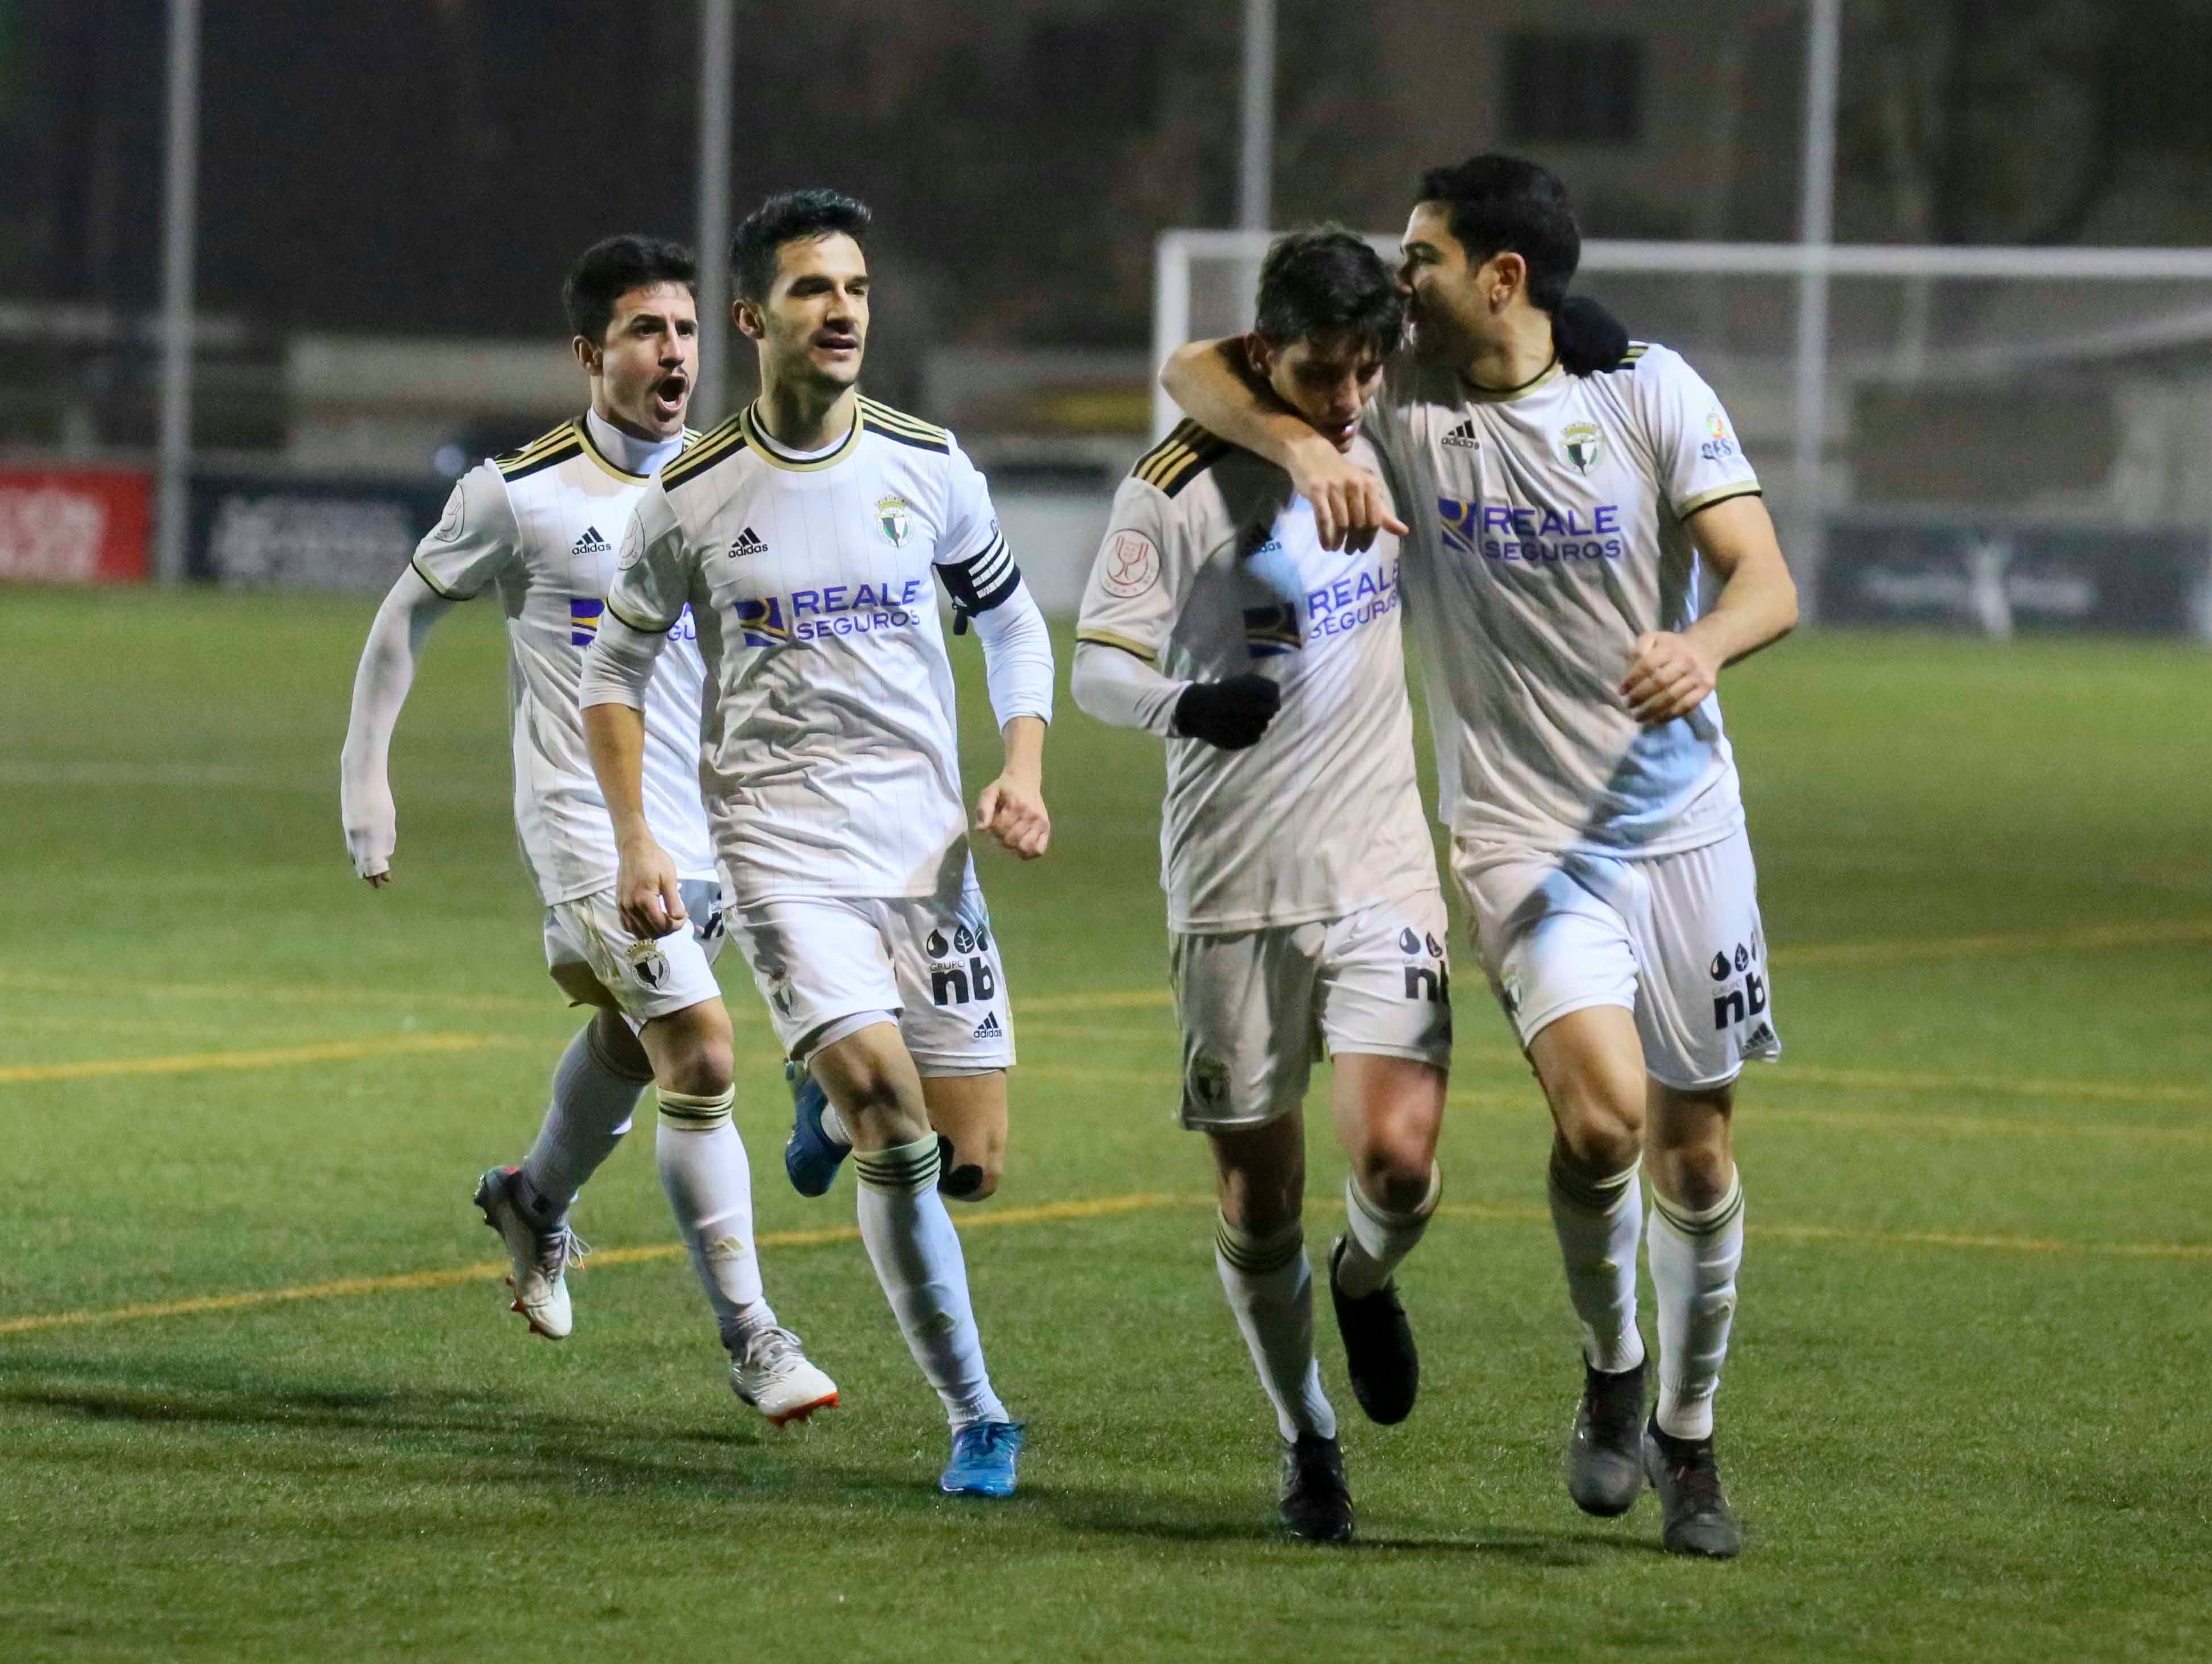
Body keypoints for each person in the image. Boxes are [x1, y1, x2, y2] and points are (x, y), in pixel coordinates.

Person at [1160, 155, 1800, 1558]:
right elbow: (1196, 364)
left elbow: (1767, 578)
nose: (1402, 278)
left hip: (1684, 826)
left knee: (1693, 1161)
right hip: (1522, 839)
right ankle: (1613, 1364)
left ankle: (1687, 1442)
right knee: (1601, 1125)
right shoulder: (1401, 399)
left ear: (1502, 278)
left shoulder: (1647, 392)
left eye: (1425, 255)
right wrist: (1313, 449)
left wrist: (1697, 646)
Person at [578, 188, 1052, 1499]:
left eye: (853, 289)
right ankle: (978, 1417)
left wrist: (1020, 765)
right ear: (753, 318)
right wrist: (637, 841)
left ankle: (823, 1094)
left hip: (924, 852)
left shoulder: (927, 463)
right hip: (779, 846)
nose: (840, 311)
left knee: (973, 1163)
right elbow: (611, 675)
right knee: (891, 1113)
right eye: (810, 291)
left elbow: (1011, 623)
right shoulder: (689, 492)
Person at [337, 234, 834, 1426]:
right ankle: (755, 1338)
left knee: (631, 1036)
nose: (672, 355)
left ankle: (530, 1199)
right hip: (586, 829)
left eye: (685, 331)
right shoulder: (522, 493)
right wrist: (368, 781)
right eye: (645, 333)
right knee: (703, 1055)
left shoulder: (728, 481)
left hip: (711, 827)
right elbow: (405, 615)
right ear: (589, 354)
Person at [1072, 230, 1449, 1543]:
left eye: (1364, 371)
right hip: (1230, 886)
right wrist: (1189, 702)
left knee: (1397, 1161)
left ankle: (1365, 1278)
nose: (1348, 397)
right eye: (1321, 373)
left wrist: (1332, 435)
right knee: (1256, 1197)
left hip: (1380, 867)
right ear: (1261, 350)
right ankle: (1307, 1441)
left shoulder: (1384, 428)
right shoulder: (1173, 487)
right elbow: (1096, 672)